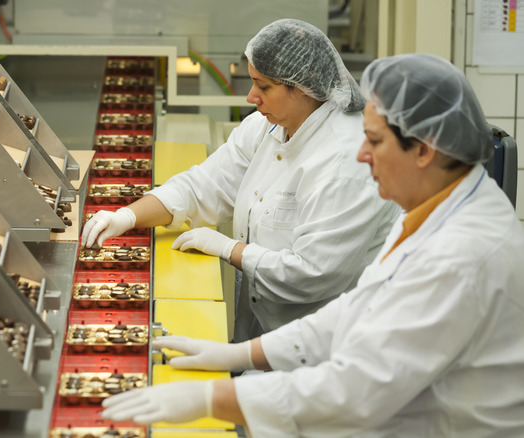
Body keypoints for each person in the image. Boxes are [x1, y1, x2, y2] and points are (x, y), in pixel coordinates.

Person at [101, 53, 524, 437]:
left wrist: (209, 400)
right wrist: (240, 356)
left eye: (374, 141)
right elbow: (354, 311)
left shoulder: (464, 254)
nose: (361, 155)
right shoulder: (432, 206)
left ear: (424, 151)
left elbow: (355, 392)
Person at [81, 19, 399, 341]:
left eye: (264, 87)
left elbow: (312, 274)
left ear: (302, 86)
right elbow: (204, 185)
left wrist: (230, 249)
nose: (251, 97)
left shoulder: (347, 163)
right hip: (263, 330)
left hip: (323, 347)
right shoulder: (269, 126)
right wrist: (128, 215)